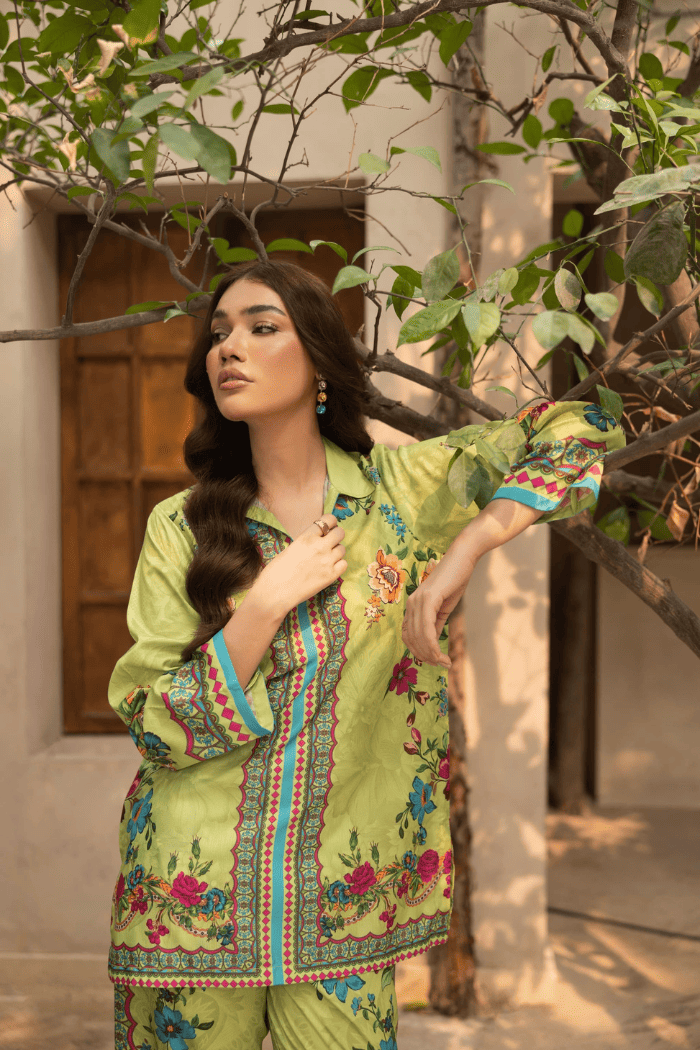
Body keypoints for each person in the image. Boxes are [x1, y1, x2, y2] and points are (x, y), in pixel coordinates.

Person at [110, 259, 625, 1050]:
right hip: (191, 906)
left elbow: (580, 426)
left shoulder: (405, 492)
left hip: (341, 915)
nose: (228, 349)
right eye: (218, 334)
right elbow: (155, 726)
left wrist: (472, 546)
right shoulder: (180, 528)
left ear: (318, 358)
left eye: (260, 327)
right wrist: (266, 602)